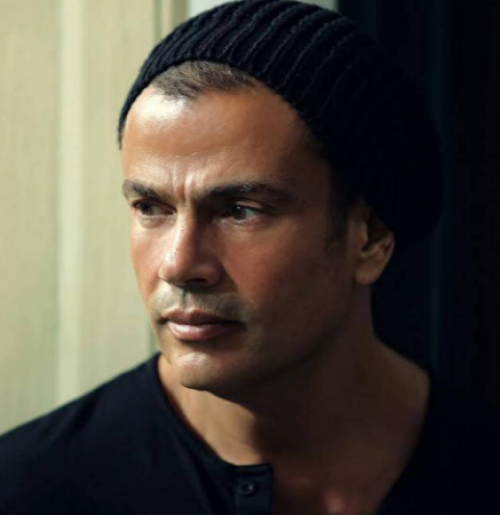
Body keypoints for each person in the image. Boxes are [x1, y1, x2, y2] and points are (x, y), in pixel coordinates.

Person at [1, 1, 498, 514]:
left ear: (369, 238)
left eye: (240, 211)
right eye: (151, 207)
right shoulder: (29, 489)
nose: (178, 265)